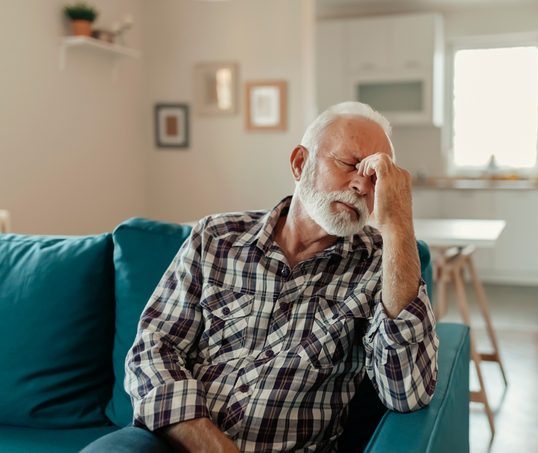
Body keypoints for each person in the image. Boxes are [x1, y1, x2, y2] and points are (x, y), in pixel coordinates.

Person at [81, 101, 438, 453]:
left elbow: (407, 392)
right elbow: (152, 350)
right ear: (300, 163)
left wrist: (398, 226)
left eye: (375, 177)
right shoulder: (216, 236)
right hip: (170, 441)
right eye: (348, 164)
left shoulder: (379, 265)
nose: (361, 185)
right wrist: (209, 444)